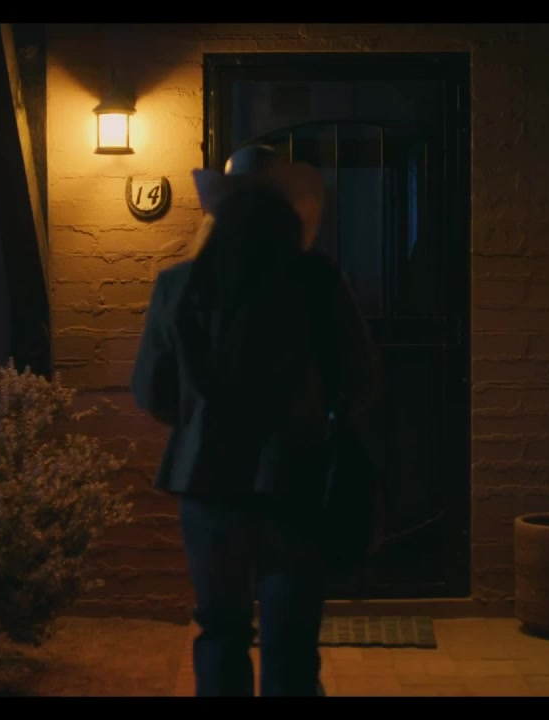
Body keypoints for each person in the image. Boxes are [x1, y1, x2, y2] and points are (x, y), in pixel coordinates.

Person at [131, 145, 380, 697]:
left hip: (207, 482)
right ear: (285, 213)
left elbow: (153, 392)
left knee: (220, 631)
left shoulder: (179, 286)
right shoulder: (318, 280)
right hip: (296, 481)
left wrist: (198, 418)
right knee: (290, 641)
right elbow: (361, 382)